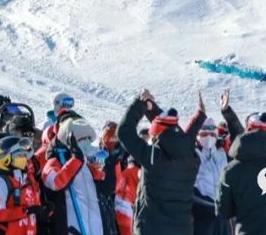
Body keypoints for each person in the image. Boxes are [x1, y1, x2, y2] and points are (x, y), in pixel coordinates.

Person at [117, 90, 204, 235]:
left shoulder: (153, 158)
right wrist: (200, 117)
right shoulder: (192, 158)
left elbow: (124, 132)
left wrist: (140, 105)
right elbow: (178, 138)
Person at [43, 115, 105, 235]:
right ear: (70, 141)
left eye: (88, 139)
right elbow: (55, 183)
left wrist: (113, 163)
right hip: (71, 227)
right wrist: (76, 160)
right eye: (82, 139)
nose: (86, 142)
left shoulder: (86, 166)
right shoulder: (56, 162)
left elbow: (106, 185)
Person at [0, 135, 40, 235]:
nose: (24, 159)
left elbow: (33, 208)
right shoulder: (0, 182)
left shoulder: (25, 180)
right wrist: (26, 211)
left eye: (25, 156)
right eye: (20, 155)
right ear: (5, 158)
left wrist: (43, 212)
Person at [192, 117, 229, 235]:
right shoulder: (191, 154)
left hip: (222, 215)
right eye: (204, 134)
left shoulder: (222, 154)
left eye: (212, 134)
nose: (208, 137)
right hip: (200, 214)